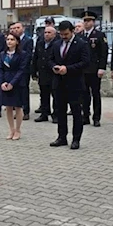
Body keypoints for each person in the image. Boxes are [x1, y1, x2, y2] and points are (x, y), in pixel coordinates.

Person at [48, 21, 89, 150]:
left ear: (72, 31)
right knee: (60, 111)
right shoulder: (56, 44)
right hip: (59, 83)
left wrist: (68, 68)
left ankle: (76, 139)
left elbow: (85, 62)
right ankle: (62, 137)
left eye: (66, 34)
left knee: (76, 112)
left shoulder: (81, 44)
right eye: (61, 34)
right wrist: (54, 67)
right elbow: (49, 59)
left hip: (75, 83)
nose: (64, 37)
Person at [78, 11, 108, 127]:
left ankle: (96, 118)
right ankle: (85, 116)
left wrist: (102, 68)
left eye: (89, 21)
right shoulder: (80, 36)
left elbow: (103, 53)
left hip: (95, 70)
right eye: (84, 21)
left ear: (93, 22)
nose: (86, 23)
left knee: (95, 94)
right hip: (83, 70)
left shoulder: (99, 35)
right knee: (84, 95)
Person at [0, 32, 30, 140]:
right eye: (8, 39)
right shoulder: (3, 54)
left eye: (12, 39)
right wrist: (2, 82)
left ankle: (18, 130)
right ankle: (11, 129)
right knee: (8, 107)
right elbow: (0, 69)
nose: (9, 41)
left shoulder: (23, 54)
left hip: (17, 83)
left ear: (17, 42)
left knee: (17, 107)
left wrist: (12, 83)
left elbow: (21, 70)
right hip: (6, 82)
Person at [32, 26, 58, 123]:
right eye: (45, 32)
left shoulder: (57, 43)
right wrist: (34, 71)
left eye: (49, 32)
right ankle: (44, 113)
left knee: (55, 95)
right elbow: (35, 57)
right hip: (42, 73)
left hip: (53, 73)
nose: (46, 34)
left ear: (54, 34)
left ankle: (56, 115)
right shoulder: (40, 43)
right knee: (43, 95)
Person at [9, 22, 33, 121]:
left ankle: (26, 111)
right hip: (13, 70)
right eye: (14, 28)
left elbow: (28, 56)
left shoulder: (28, 40)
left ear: (23, 28)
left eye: (18, 28)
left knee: (24, 90)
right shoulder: (12, 40)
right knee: (16, 91)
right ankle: (18, 110)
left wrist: (20, 66)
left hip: (24, 70)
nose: (16, 30)